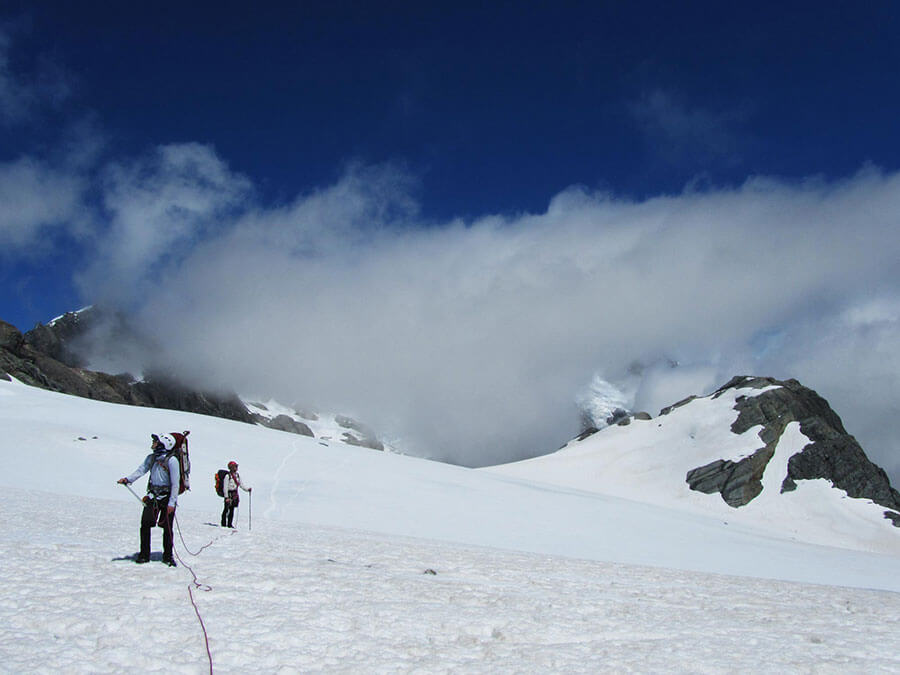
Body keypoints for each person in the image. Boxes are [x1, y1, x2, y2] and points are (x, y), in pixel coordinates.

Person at [118, 433, 180, 566]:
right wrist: (128, 479)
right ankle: (144, 555)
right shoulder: (152, 458)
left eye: (156, 441)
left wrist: (172, 503)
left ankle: (168, 556)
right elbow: (141, 470)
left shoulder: (172, 460)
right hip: (153, 495)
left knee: (167, 528)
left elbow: (176, 483)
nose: (153, 443)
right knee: (145, 524)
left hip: (167, 497)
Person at [221, 460, 251, 528]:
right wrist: (226, 497)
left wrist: (247, 489)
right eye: (235, 466)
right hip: (229, 494)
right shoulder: (227, 476)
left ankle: (229, 524)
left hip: (234, 493)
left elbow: (241, 485)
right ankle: (223, 523)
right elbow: (225, 487)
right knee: (226, 509)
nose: (236, 468)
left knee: (232, 509)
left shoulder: (237, 475)